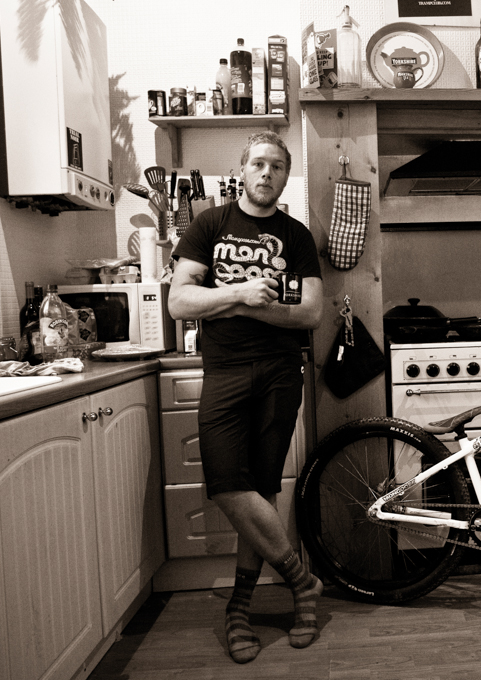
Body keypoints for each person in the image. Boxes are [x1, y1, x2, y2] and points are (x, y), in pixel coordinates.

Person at [168, 131, 324, 664]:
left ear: (285, 176)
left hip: (280, 373)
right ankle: (301, 582)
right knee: (227, 484)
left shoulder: (296, 236)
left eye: (277, 166)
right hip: (225, 372)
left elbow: (310, 313)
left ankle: (239, 606)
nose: (266, 173)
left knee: (261, 487)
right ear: (242, 170)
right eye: (258, 163)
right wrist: (237, 293)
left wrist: (240, 307)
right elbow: (179, 301)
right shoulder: (209, 225)